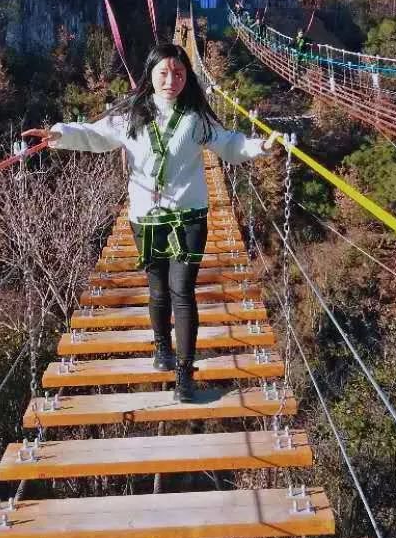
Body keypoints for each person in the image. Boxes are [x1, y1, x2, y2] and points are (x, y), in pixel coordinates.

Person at [23, 43, 275, 402]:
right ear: (150, 76)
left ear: (187, 77)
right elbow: (97, 136)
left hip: (189, 216)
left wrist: (260, 147)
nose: (171, 80)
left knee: (182, 292)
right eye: (163, 73)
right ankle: (162, 348)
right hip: (147, 217)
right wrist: (59, 134)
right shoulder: (130, 115)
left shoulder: (196, 117)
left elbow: (230, 145)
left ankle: (185, 376)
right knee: (157, 289)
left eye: (178, 73)